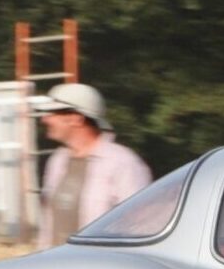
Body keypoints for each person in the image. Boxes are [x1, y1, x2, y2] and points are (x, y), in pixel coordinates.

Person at [36, 82, 152, 247]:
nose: (45, 119)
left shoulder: (123, 163)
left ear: (76, 118)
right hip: (54, 268)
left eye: (52, 113)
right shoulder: (57, 160)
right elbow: (48, 225)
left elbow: (143, 225)